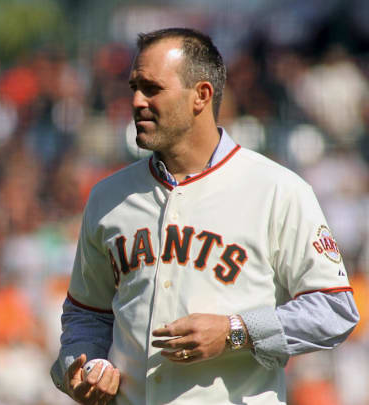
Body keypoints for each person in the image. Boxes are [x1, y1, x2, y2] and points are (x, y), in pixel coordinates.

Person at [50, 28, 359, 405]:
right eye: (133, 86)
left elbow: (334, 309)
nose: (136, 101)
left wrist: (235, 331)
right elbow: (86, 316)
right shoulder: (108, 196)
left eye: (152, 88)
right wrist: (80, 367)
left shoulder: (278, 189)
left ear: (201, 95)